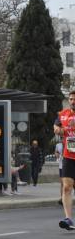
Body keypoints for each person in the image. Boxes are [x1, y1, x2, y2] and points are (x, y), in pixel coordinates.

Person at [53, 90, 75, 230]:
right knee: (66, 187)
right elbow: (56, 126)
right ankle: (68, 219)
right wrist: (58, 130)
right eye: (71, 99)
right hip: (69, 155)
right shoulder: (63, 114)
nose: (72, 101)